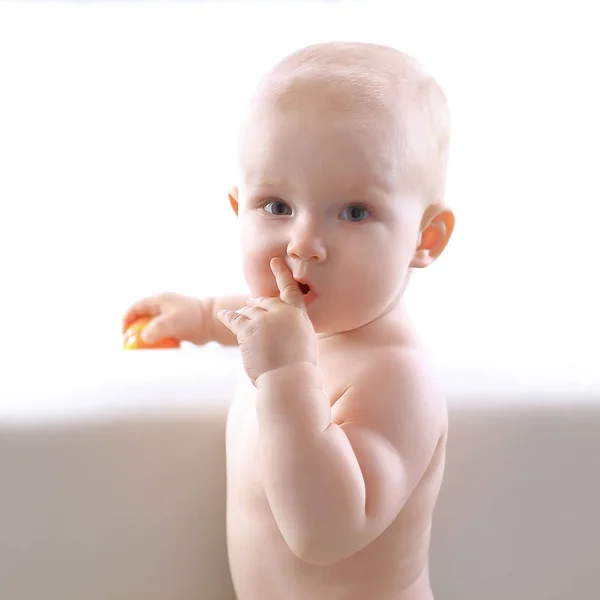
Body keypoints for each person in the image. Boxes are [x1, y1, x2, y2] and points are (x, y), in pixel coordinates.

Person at [122, 41, 455, 600]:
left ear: (424, 239)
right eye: (276, 207)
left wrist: (287, 378)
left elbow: (325, 531)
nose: (303, 244)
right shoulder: (309, 319)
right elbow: (273, 323)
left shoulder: (396, 380)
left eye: (353, 212)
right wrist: (205, 317)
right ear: (238, 208)